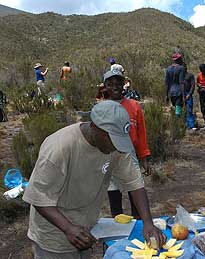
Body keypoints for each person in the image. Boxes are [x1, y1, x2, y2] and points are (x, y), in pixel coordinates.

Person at [22, 100, 165, 258]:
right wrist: (68, 228)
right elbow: (38, 197)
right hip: (54, 236)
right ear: (97, 128)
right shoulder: (59, 148)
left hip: (86, 230)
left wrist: (148, 223)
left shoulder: (114, 146)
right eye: (113, 141)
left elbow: (134, 182)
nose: (116, 148)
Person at [101, 70, 153, 218]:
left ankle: (139, 226)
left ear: (124, 85)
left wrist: (144, 158)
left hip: (130, 156)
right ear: (105, 87)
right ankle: (118, 231)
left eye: (118, 83)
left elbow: (141, 134)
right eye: (110, 84)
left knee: (136, 192)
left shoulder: (134, 106)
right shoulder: (102, 109)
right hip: (110, 156)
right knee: (114, 196)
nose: (115, 87)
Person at [165, 53, 185, 117]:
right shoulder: (181, 68)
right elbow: (181, 82)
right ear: (178, 60)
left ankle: (176, 123)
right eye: (181, 59)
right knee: (178, 110)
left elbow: (167, 83)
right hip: (179, 92)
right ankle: (177, 123)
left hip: (171, 92)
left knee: (175, 108)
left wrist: (166, 95)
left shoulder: (168, 69)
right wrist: (184, 95)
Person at [183, 63, 196, 130]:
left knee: (189, 109)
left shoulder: (190, 75)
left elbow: (193, 85)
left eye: (184, 67)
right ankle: (184, 124)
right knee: (181, 110)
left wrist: (190, 94)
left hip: (188, 93)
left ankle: (191, 125)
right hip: (181, 94)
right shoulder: (179, 76)